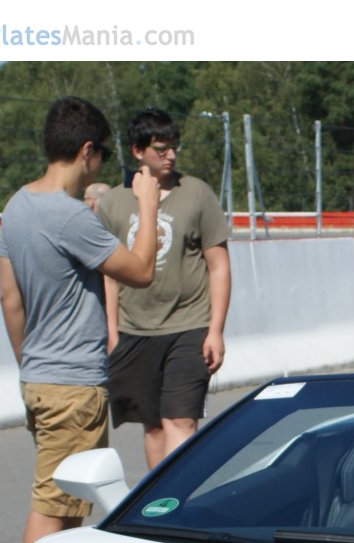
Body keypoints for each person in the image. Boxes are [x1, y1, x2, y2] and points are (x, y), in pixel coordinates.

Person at [0, 96, 160, 543]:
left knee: (68, 502)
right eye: (103, 154)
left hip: (39, 377)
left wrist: (29, 361)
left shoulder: (17, 206)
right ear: (87, 150)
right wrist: (146, 205)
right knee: (53, 507)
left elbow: (9, 298)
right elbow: (141, 271)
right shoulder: (69, 217)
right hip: (72, 386)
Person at [96, 107, 231, 469]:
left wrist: (215, 330)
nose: (170, 155)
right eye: (160, 148)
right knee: (154, 427)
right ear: (138, 151)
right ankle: (158, 506)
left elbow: (218, 266)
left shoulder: (197, 194)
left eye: (174, 147)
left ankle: (178, 505)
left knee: (181, 421)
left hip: (189, 325)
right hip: (134, 328)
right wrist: (111, 331)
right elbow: (107, 274)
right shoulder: (112, 203)